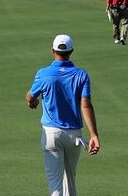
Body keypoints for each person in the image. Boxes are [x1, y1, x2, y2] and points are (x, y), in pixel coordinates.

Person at [25, 34, 100, 196]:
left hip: (51, 134)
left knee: (55, 184)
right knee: (70, 182)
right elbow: (86, 105)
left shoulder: (44, 73)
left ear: (53, 51)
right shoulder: (81, 75)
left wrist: (33, 103)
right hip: (74, 136)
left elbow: (30, 97)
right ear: (71, 52)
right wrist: (94, 134)